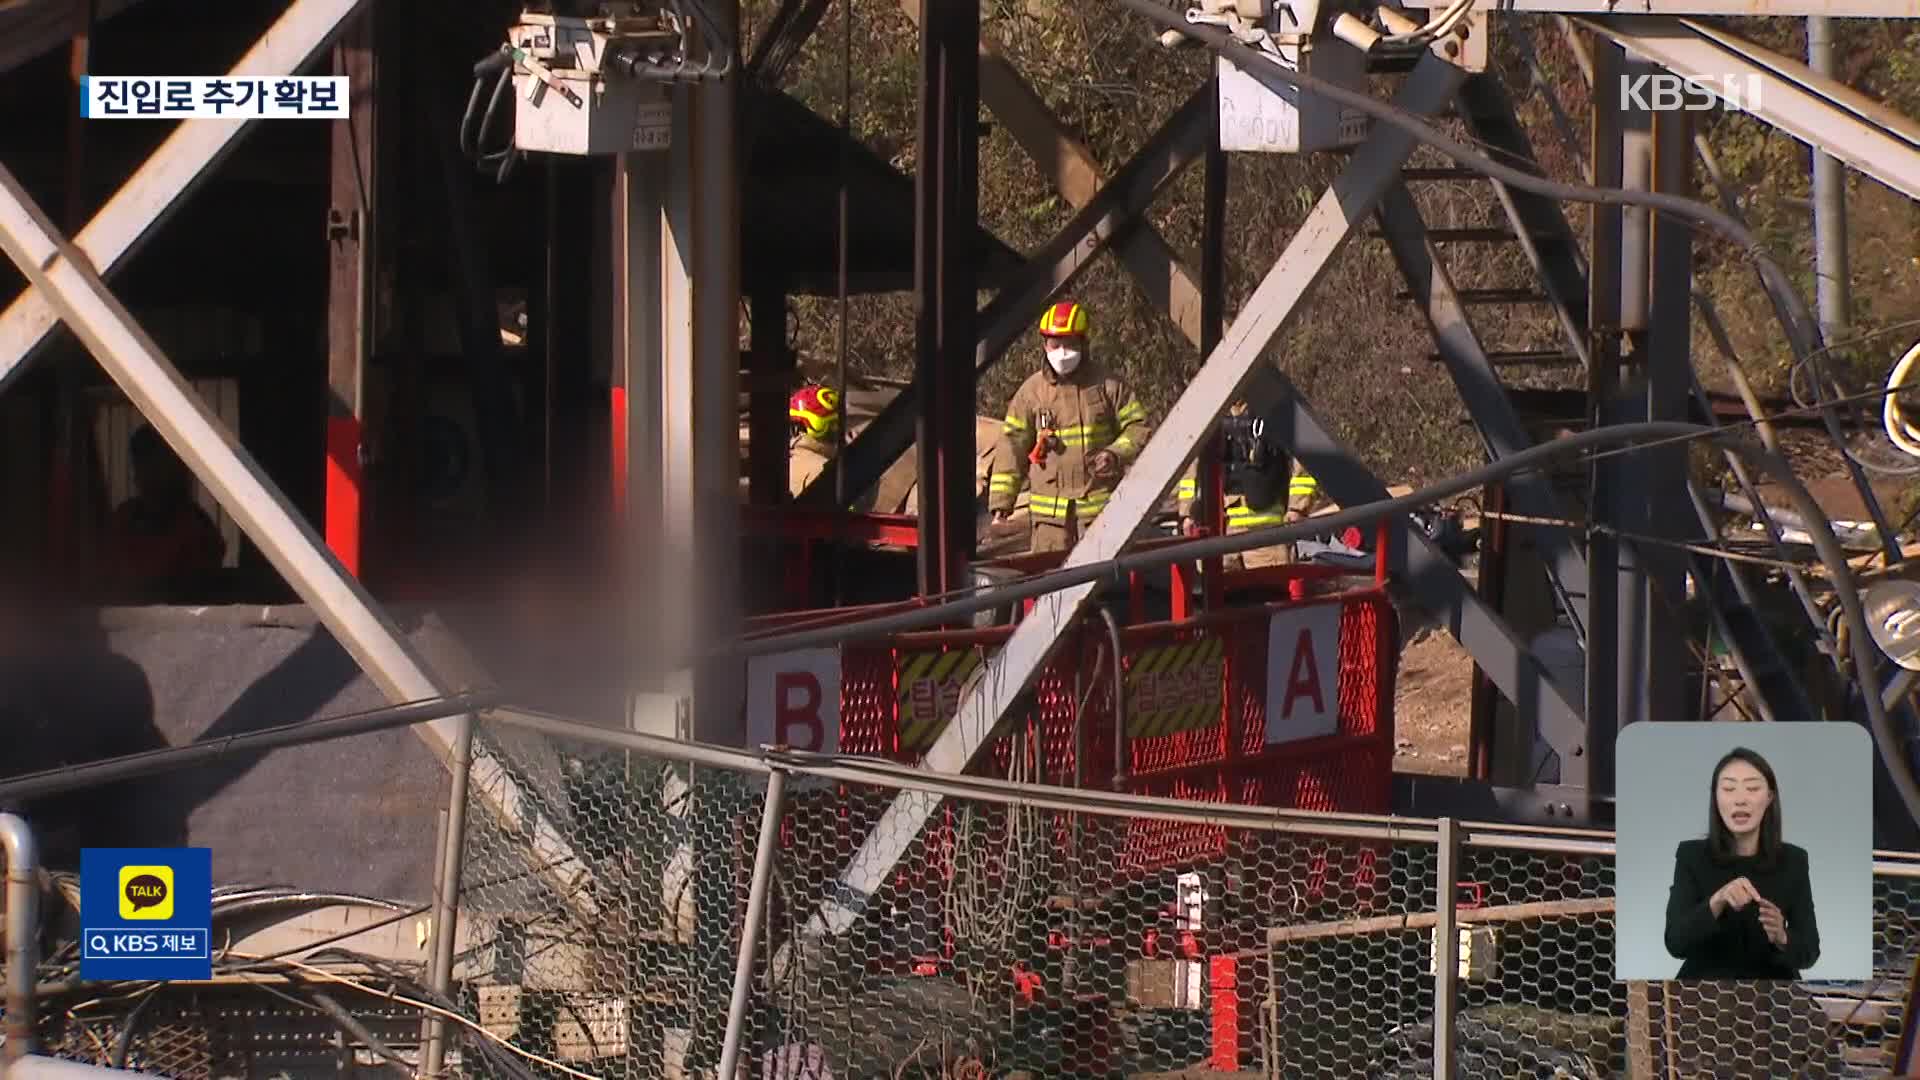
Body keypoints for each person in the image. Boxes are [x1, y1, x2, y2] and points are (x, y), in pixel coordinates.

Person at [986, 302, 1153, 553]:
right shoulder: (1031, 393)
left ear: (1084, 343)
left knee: (1102, 584)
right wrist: (1001, 503)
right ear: (1044, 345)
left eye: (1070, 344)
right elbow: (1012, 446)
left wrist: (1115, 453)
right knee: (1051, 585)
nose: (1062, 353)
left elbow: (1139, 427)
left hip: (1099, 515)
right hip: (1050, 522)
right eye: (1055, 345)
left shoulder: (1109, 386)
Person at [1664, 746, 1819, 980]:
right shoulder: (1691, 856)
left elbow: (1809, 953)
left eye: (1752, 788)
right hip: (1705, 994)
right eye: (1728, 789)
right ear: (1715, 797)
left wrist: (1782, 935)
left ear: (1769, 797)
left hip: (1773, 995)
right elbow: (1675, 943)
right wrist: (1717, 901)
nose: (1740, 800)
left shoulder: (1794, 861)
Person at [1175, 399, 1324, 569]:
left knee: (1269, 591)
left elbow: (1306, 458)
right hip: (1222, 535)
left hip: (1266, 534)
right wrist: (1187, 514)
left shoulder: (1275, 407)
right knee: (1223, 592)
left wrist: (1297, 508)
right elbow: (1190, 468)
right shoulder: (1211, 411)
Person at [99, 424, 226, 603]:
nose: (148, 473)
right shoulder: (124, 518)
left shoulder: (197, 527)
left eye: (159, 464)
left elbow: (195, 594)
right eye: (142, 463)